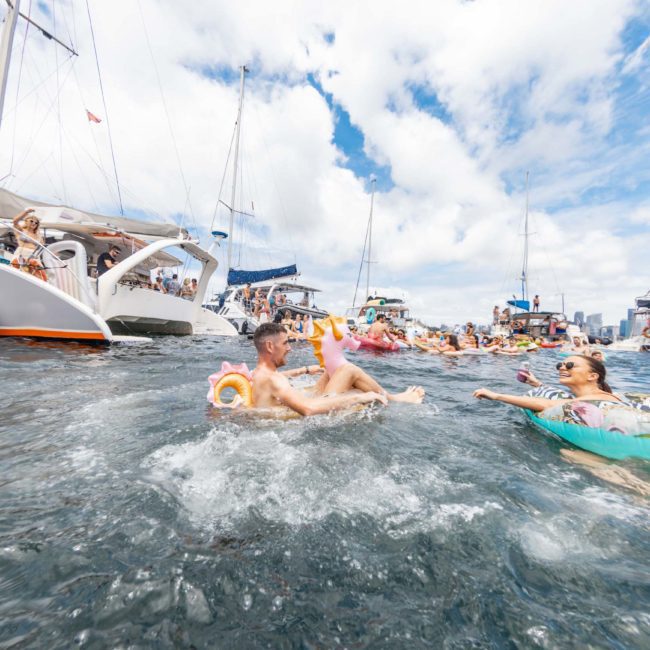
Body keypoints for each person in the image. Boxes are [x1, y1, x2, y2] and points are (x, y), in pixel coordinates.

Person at [251, 323, 424, 415]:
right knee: (348, 370)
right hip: (302, 415)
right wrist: (358, 397)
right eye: (285, 343)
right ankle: (395, 398)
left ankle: (385, 395)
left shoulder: (260, 374)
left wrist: (303, 370)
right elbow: (308, 409)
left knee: (330, 370)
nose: (289, 348)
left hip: (295, 404)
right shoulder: (273, 380)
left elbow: (278, 382)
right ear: (269, 346)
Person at [473, 355, 626, 412]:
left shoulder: (602, 399)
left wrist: (496, 396)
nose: (562, 368)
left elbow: (549, 405)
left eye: (570, 365)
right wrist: (537, 384)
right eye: (560, 365)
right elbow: (562, 399)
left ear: (592, 376)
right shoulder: (589, 396)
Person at [11, 208, 47, 280]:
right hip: (22, 253)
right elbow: (15, 221)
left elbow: (42, 246)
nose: (34, 223)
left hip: (34, 256)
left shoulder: (38, 235)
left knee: (40, 277)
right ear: (26, 221)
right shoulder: (20, 230)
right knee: (19, 274)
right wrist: (26, 212)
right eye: (31, 221)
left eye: (36, 222)